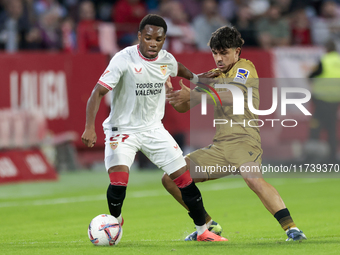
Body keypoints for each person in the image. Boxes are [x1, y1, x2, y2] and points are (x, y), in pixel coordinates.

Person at [81, 14, 227, 242]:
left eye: (158, 39)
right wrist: (90, 127)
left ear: (164, 40)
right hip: (122, 130)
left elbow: (178, 68)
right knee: (119, 182)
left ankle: (203, 231)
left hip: (152, 129)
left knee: (185, 180)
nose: (153, 43)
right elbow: (97, 92)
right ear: (140, 36)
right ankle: (116, 222)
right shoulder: (123, 59)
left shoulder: (166, 60)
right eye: (148, 38)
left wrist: (198, 79)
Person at [162, 25, 307, 241]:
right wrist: (174, 96)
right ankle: (209, 226)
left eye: (224, 52)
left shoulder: (244, 67)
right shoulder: (212, 76)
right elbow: (184, 107)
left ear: (237, 51)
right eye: (215, 53)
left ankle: (292, 229)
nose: (219, 58)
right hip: (219, 147)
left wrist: (197, 94)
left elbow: (234, 93)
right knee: (171, 179)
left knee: (253, 179)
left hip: (244, 141)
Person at [307, 39, 340, 163]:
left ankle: (312, 157)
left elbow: (312, 75)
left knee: (315, 126)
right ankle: (332, 157)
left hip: (321, 99)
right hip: (335, 100)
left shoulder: (324, 60)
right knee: (331, 128)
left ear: (326, 49)